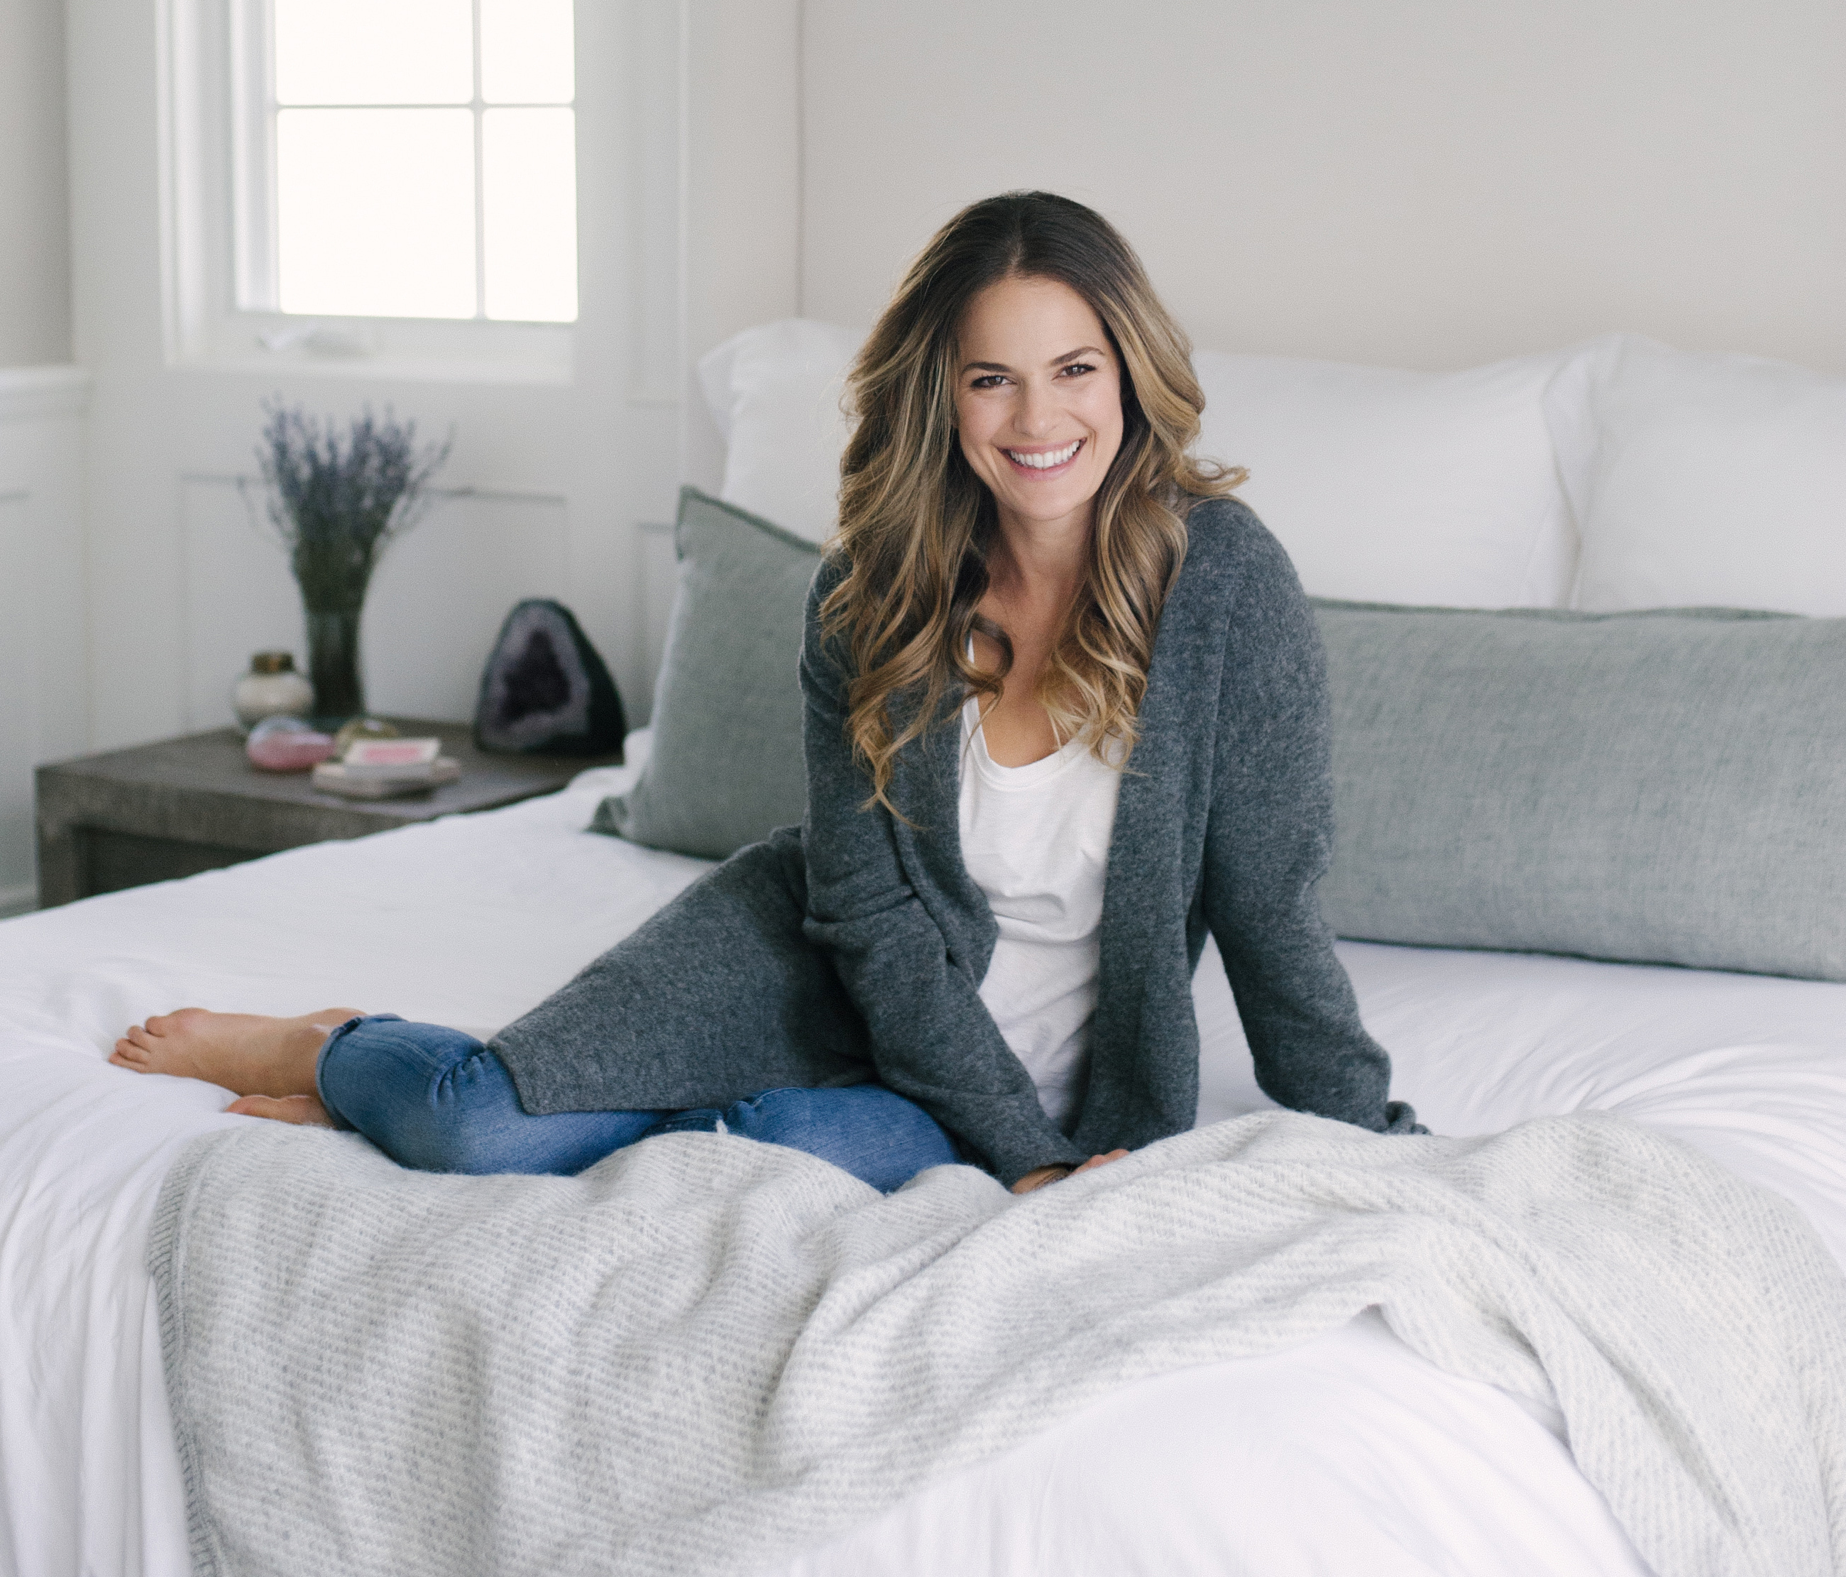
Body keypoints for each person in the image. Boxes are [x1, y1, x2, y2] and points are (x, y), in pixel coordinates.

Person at [113, 191, 1417, 1194]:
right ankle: (338, 1049)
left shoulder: (1226, 584)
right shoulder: (872, 591)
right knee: (469, 1128)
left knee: (741, 1155)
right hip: (809, 977)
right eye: (991, 376)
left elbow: (1270, 913)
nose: (1039, 417)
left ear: (1130, 371)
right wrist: (1023, 1158)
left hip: (991, 1087)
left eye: (1076, 367)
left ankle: (462, 1077)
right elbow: (870, 924)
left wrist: (1389, 1156)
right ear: (940, 395)